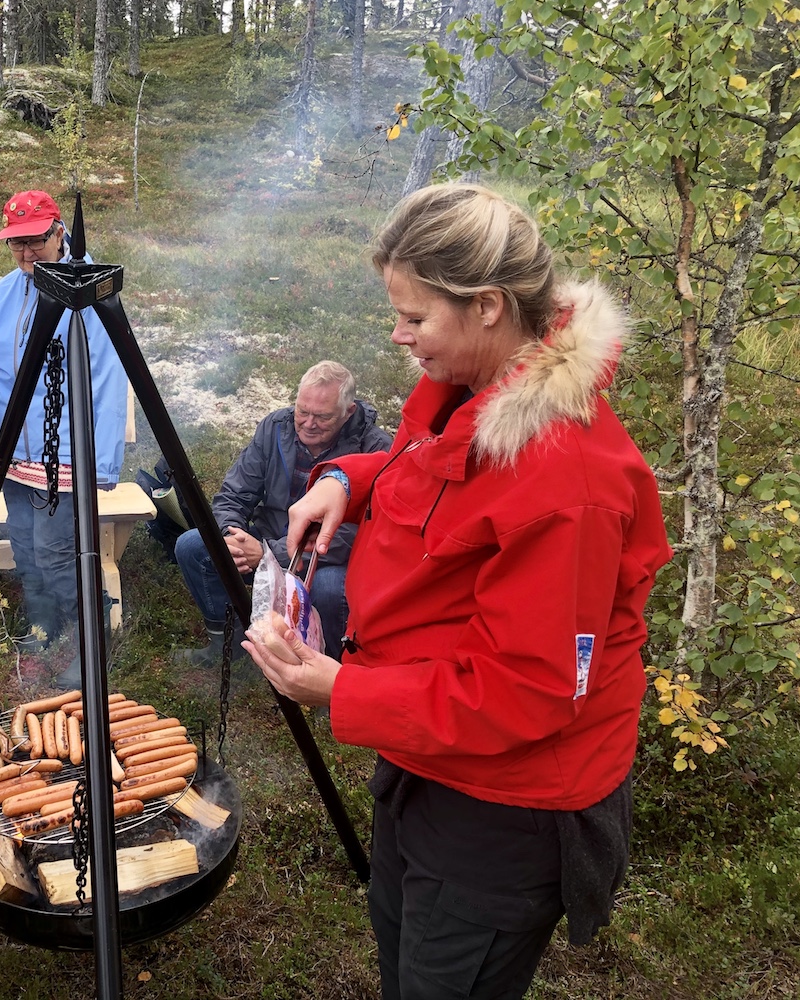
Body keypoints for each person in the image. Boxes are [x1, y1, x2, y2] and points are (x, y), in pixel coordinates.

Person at [244, 183, 672, 1000]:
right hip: (427, 751)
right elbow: (434, 473)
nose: (399, 336)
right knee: (402, 949)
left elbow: (531, 691)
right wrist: (347, 479)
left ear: (486, 305)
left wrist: (342, 689)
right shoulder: (475, 386)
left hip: (505, 804)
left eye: (414, 317)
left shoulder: (566, 481)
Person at [0, 190, 128, 689]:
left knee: (58, 551)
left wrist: (96, 463)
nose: (26, 254)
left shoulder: (89, 294)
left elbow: (107, 380)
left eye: (35, 241)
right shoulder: (6, 293)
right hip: (10, 446)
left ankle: (91, 636)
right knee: (24, 544)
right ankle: (43, 620)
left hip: (64, 451)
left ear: (60, 232)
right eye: (17, 245)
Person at [172, 361, 392, 666]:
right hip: (268, 539)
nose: (308, 423)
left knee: (331, 589)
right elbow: (234, 493)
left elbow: (356, 534)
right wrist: (231, 536)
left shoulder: (377, 449)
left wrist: (267, 555)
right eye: (302, 411)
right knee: (194, 547)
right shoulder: (276, 427)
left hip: (327, 558)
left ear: (348, 412)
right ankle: (230, 647)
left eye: (322, 416)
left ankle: (328, 670)